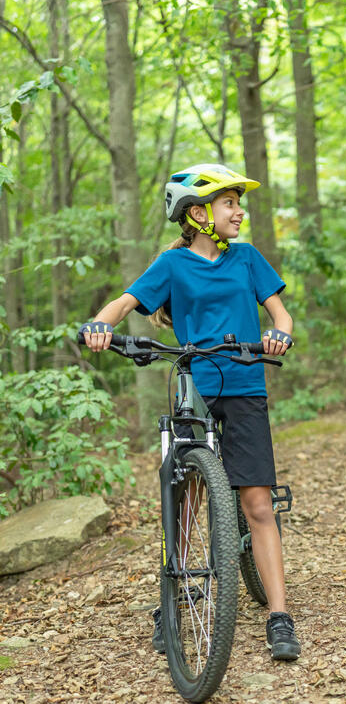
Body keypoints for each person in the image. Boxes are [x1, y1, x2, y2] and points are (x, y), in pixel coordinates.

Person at [80, 163, 301, 660]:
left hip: (245, 383)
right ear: (198, 214)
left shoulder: (246, 258)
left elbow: (281, 314)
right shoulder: (172, 266)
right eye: (230, 203)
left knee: (258, 504)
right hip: (193, 385)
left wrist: (280, 333)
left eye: (238, 204)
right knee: (189, 499)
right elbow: (122, 303)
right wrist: (98, 323)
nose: (239, 211)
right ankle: (175, 594)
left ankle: (279, 616)